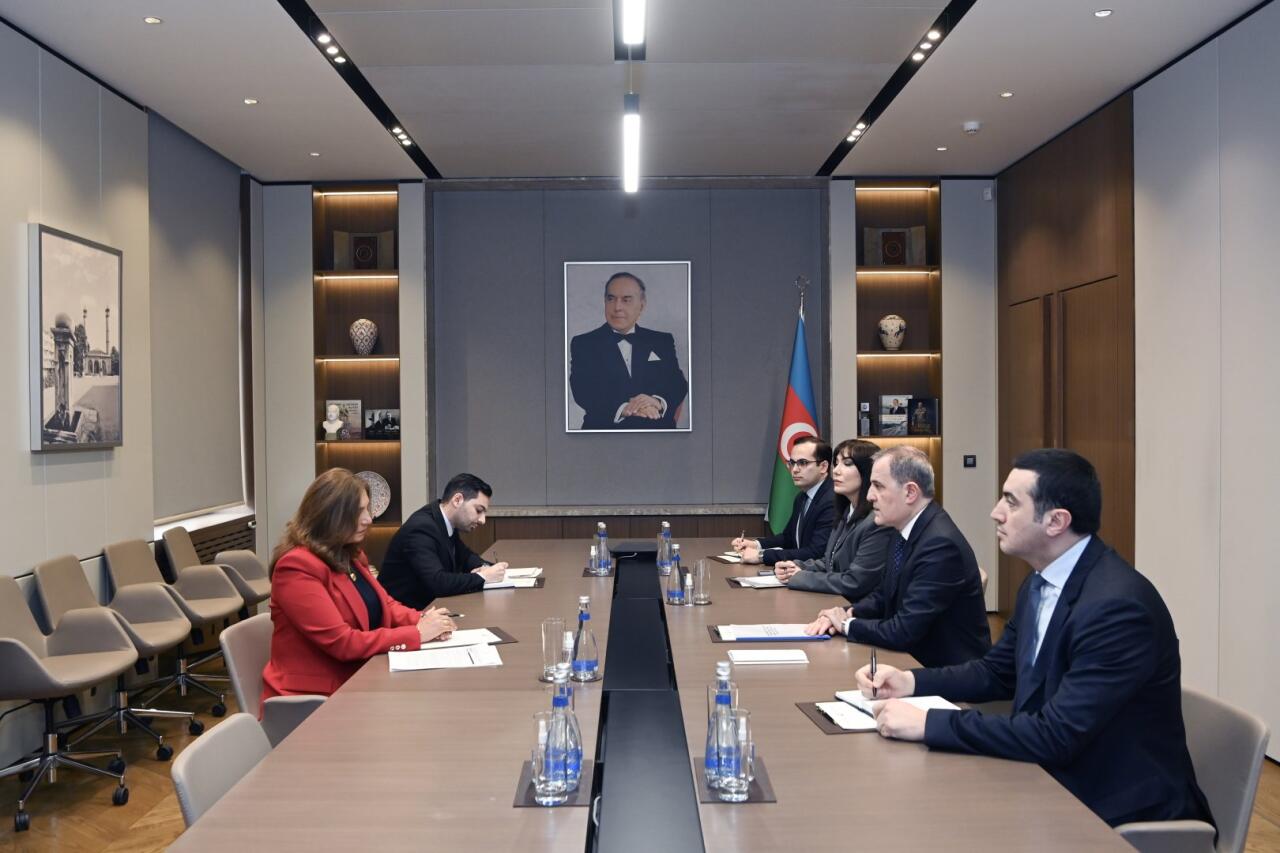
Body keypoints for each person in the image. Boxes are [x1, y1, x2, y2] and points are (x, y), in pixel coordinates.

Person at [857, 449, 1215, 831]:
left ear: (1056, 521)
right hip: (1053, 775)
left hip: (1114, 807)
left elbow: (1055, 735)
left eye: (1011, 502)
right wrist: (909, 682)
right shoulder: (1040, 582)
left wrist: (929, 723)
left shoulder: (1118, 608)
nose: (996, 513)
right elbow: (996, 673)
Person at [261, 468, 455, 702]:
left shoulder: (349, 555)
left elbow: (386, 605)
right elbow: (342, 642)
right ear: (330, 515)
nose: (368, 519)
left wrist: (423, 619)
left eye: (367, 509)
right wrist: (416, 633)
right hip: (313, 699)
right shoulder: (296, 567)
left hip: (359, 677)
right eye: (358, 511)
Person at [804, 445, 990, 667]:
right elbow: (884, 596)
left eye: (878, 486)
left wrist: (846, 625)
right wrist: (845, 612)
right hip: (910, 660)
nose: (870, 496)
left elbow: (903, 631)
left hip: (943, 673)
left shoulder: (940, 545)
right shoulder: (903, 529)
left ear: (910, 492)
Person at [568, 271, 688, 430]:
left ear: (642, 306)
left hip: (658, 432)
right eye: (611, 299)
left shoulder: (661, 341)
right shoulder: (584, 343)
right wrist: (625, 408)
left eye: (626, 300)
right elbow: (583, 389)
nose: (617, 307)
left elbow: (677, 383)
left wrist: (656, 401)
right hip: (604, 433)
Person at [773, 438, 890, 601]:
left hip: (857, 608)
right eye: (836, 463)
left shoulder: (877, 521)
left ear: (869, 471)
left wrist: (800, 576)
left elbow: (855, 582)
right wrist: (796, 566)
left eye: (847, 464)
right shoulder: (846, 512)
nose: (836, 471)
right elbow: (830, 562)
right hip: (836, 602)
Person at [378, 473, 507, 608]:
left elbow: (465, 557)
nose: (482, 520)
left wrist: (488, 568)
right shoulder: (421, 528)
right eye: (478, 510)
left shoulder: (445, 520)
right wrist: (483, 577)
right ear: (457, 500)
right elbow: (438, 582)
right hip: (401, 614)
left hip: (429, 608)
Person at [733, 436, 835, 566]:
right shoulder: (802, 497)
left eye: (803, 463)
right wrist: (755, 544)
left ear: (823, 466)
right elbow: (788, 538)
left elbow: (816, 553)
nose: (795, 469)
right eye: (792, 463)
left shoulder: (832, 500)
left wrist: (762, 556)